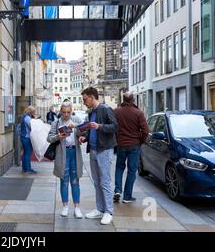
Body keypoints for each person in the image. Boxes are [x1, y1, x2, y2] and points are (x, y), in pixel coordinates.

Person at [78, 87, 118, 225]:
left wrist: (99, 126)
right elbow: (92, 130)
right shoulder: (92, 112)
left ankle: (109, 211)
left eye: (84, 99)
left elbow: (115, 127)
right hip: (94, 150)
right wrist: (85, 138)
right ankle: (100, 209)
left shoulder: (105, 109)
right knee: (96, 181)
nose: (84, 102)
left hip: (104, 150)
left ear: (91, 97)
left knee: (105, 181)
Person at [47, 101, 84, 218]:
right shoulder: (56, 123)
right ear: (61, 112)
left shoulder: (77, 120)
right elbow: (49, 138)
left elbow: (84, 133)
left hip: (74, 152)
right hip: (62, 153)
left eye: (68, 112)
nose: (66, 114)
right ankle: (65, 207)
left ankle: (77, 208)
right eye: (64, 112)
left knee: (75, 180)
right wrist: (58, 136)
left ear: (71, 111)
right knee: (64, 180)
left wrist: (78, 131)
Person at [113, 92, 149, 203]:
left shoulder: (116, 112)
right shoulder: (138, 113)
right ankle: (127, 196)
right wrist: (141, 141)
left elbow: (113, 128)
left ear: (123, 99)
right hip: (134, 145)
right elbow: (146, 131)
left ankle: (118, 190)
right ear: (133, 100)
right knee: (132, 170)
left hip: (121, 144)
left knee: (119, 167)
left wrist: (116, 140)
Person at [19, 105, 37, 174]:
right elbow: (32, 126)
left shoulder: (24, 116)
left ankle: (24, 168)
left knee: (25, 153)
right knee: (28, 153)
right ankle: (28, 169)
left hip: (23, 137)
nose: (34, 113)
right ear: (31, 111)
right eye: (33, 112)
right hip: (26, 137)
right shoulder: (27, 118)